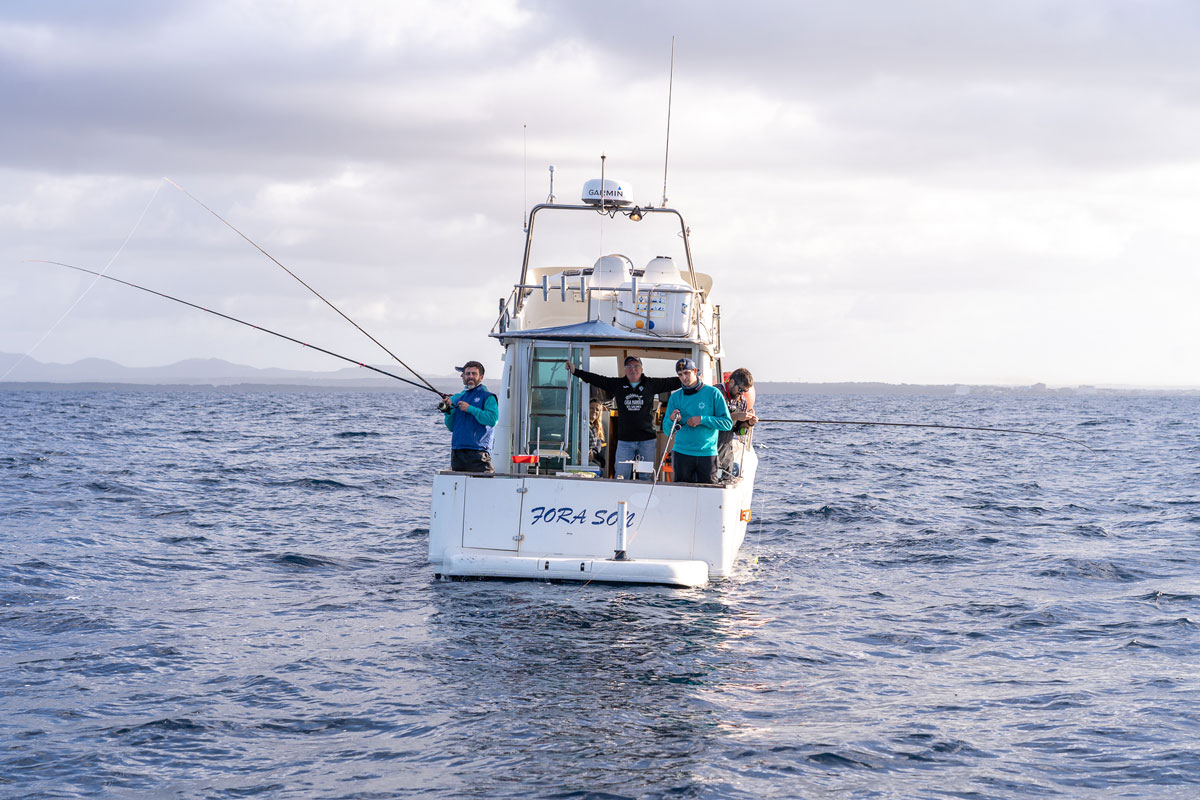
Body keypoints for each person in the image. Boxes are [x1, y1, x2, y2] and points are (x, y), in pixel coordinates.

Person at [565, 355, 680, 479]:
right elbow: (597, 379)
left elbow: (672, 382)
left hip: (647, 440)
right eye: (629, 366)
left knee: (646, 476)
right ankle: (619, 498)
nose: (633, 369)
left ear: (641, 369)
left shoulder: (651, 384)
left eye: (636, 366)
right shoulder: (618, 384)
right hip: (625, 441)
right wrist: (576, 371)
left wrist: (692, 378)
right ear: (625, 369)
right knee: (621, 476)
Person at [663, 358, 732, 484]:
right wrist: (672, 419)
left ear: (695, 371)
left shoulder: (713, 393)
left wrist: (702, 420)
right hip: (681, 453)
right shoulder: (675, 397)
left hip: (707, 454)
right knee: (681, 494)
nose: (684, 378)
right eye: (680, 375)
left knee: (708, 496)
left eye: (687, 373)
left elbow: (727, 423)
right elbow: (667, 431)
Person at [439, 360, 498, 473]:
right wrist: (448, 411)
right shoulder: (457, 398)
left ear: (481, 377)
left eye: (474, 374)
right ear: (463, 377)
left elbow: (493, 419)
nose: (470, 376)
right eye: (468, 374)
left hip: (479, 453)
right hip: (458, 453)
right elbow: (451, 427)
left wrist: (470, 409)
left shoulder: (488, 397)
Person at [716, 367, 758, 481]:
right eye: (740, 389)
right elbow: (710, 421)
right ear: (732, 382)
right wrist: (735, 416)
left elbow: (738, 430)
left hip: (725, 454)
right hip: (707, 452)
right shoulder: (715, 393)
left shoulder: (742, 401)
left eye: (745, 391)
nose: (741, 393)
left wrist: (748, 423)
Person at [588, 399, 607, 469]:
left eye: (597, 409)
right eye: (591, 408)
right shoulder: (582, 424)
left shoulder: (598, 427)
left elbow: (599, 445)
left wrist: (593, 453)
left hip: (593, 459)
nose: (594, 411)